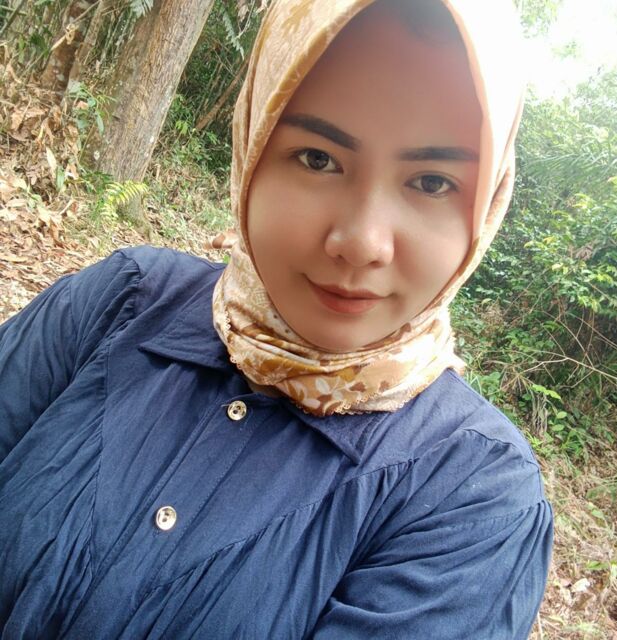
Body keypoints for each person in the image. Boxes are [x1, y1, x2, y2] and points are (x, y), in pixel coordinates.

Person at [0, 0, 553, 638]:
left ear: (486, 206)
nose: (362, 243)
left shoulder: (473, 495)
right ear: (252, 148)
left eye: (432, 182)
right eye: (318, 158)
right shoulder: (121, 301)